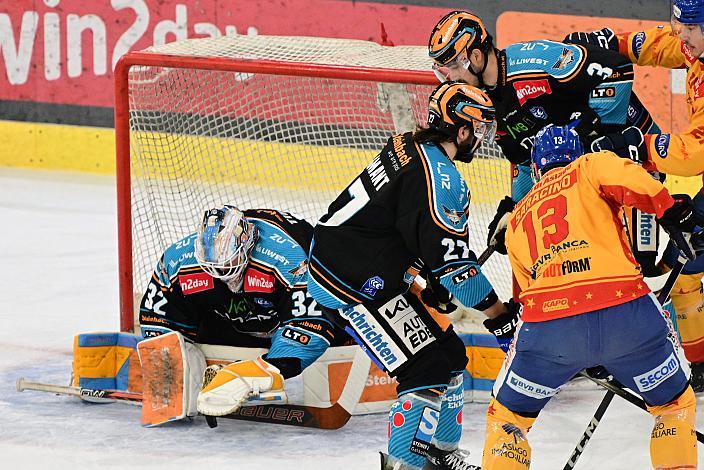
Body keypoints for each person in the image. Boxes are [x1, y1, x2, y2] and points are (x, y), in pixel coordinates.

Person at [307, 81, 521, 470]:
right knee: (425, 369)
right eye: (481, 130)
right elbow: (456, 269)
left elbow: (396, 226)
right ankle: (404, 463)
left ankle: (439, 455)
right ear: (462, 130)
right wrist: (500, 317)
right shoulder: (443, 181)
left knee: (452, 357)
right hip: (350, 283)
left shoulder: (408, 143)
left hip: (359, 263)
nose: (483, 139)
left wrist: (426, 272)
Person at [480, 123, 699, 469]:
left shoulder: (519, 215)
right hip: (627, 315)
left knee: (507, 418)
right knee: (673, 406)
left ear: (536, 168)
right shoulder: (588, 166)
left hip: (549, 330)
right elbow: (629, 176)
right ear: (577, 154)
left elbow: (525, 294)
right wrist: (668, 208)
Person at [428, 10, 664, 279]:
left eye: (452, 67)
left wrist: (595, 136)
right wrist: (514, 209)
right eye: (442, 71)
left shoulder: (536, 62)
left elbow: (616, 70)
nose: (448, 79)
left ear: (476, 57)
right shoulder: (484, 106)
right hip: (588, 179)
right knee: (592, 264)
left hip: (636, 158)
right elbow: (525, 162)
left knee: (640, 265)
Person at [564, 0, 704, 392]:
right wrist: (607, 42)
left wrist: (639, 146)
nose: (681, 35)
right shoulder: (695, 44)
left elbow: (695, 153)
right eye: (680, 25)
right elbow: (658, 45)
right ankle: (701, 365)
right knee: (685, 265)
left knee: (685, 261)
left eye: (689, 29)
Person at [138, 206, 347, 421]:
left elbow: (310, 325)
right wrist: (168, 369)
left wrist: (262, 371)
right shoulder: (178, 261)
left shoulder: (288, 258)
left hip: (291, 313)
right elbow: (157, 316)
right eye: (211, 266)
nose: (220, 272)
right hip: (235, 317)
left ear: (247, 244)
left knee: (339, 327)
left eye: (228, 263)